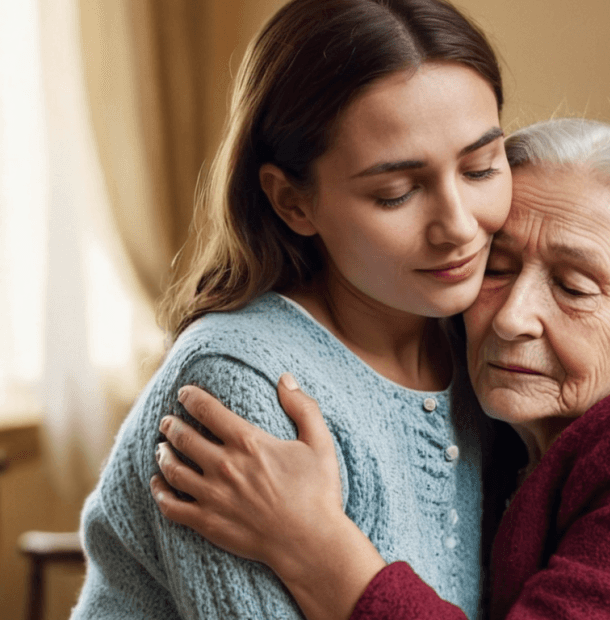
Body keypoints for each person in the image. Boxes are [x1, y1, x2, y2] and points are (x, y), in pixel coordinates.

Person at [152, 120, 610, 620]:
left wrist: (313, 542)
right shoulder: (505, 418)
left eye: (575, 287)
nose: (513, 315)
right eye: (498, 266)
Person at [73, 0, 511, 617]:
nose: (460, 226)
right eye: (396, 193)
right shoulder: (241, 387)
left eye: (482, 167)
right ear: (292, 203)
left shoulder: (484, 346)